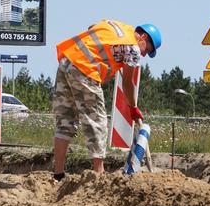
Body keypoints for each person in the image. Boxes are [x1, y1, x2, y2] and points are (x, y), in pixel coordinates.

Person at [51, 20, 162, 182]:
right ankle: (99, 174)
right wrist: (133, 107)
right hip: (85, 69)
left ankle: (58, 174)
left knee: (65, 121)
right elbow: (127, 84)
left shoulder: (115, 26)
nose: (144, 54)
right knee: (97, 122)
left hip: (67, 61)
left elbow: (91, 29)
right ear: (143, 37)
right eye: (148, 50)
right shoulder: (134, 48)